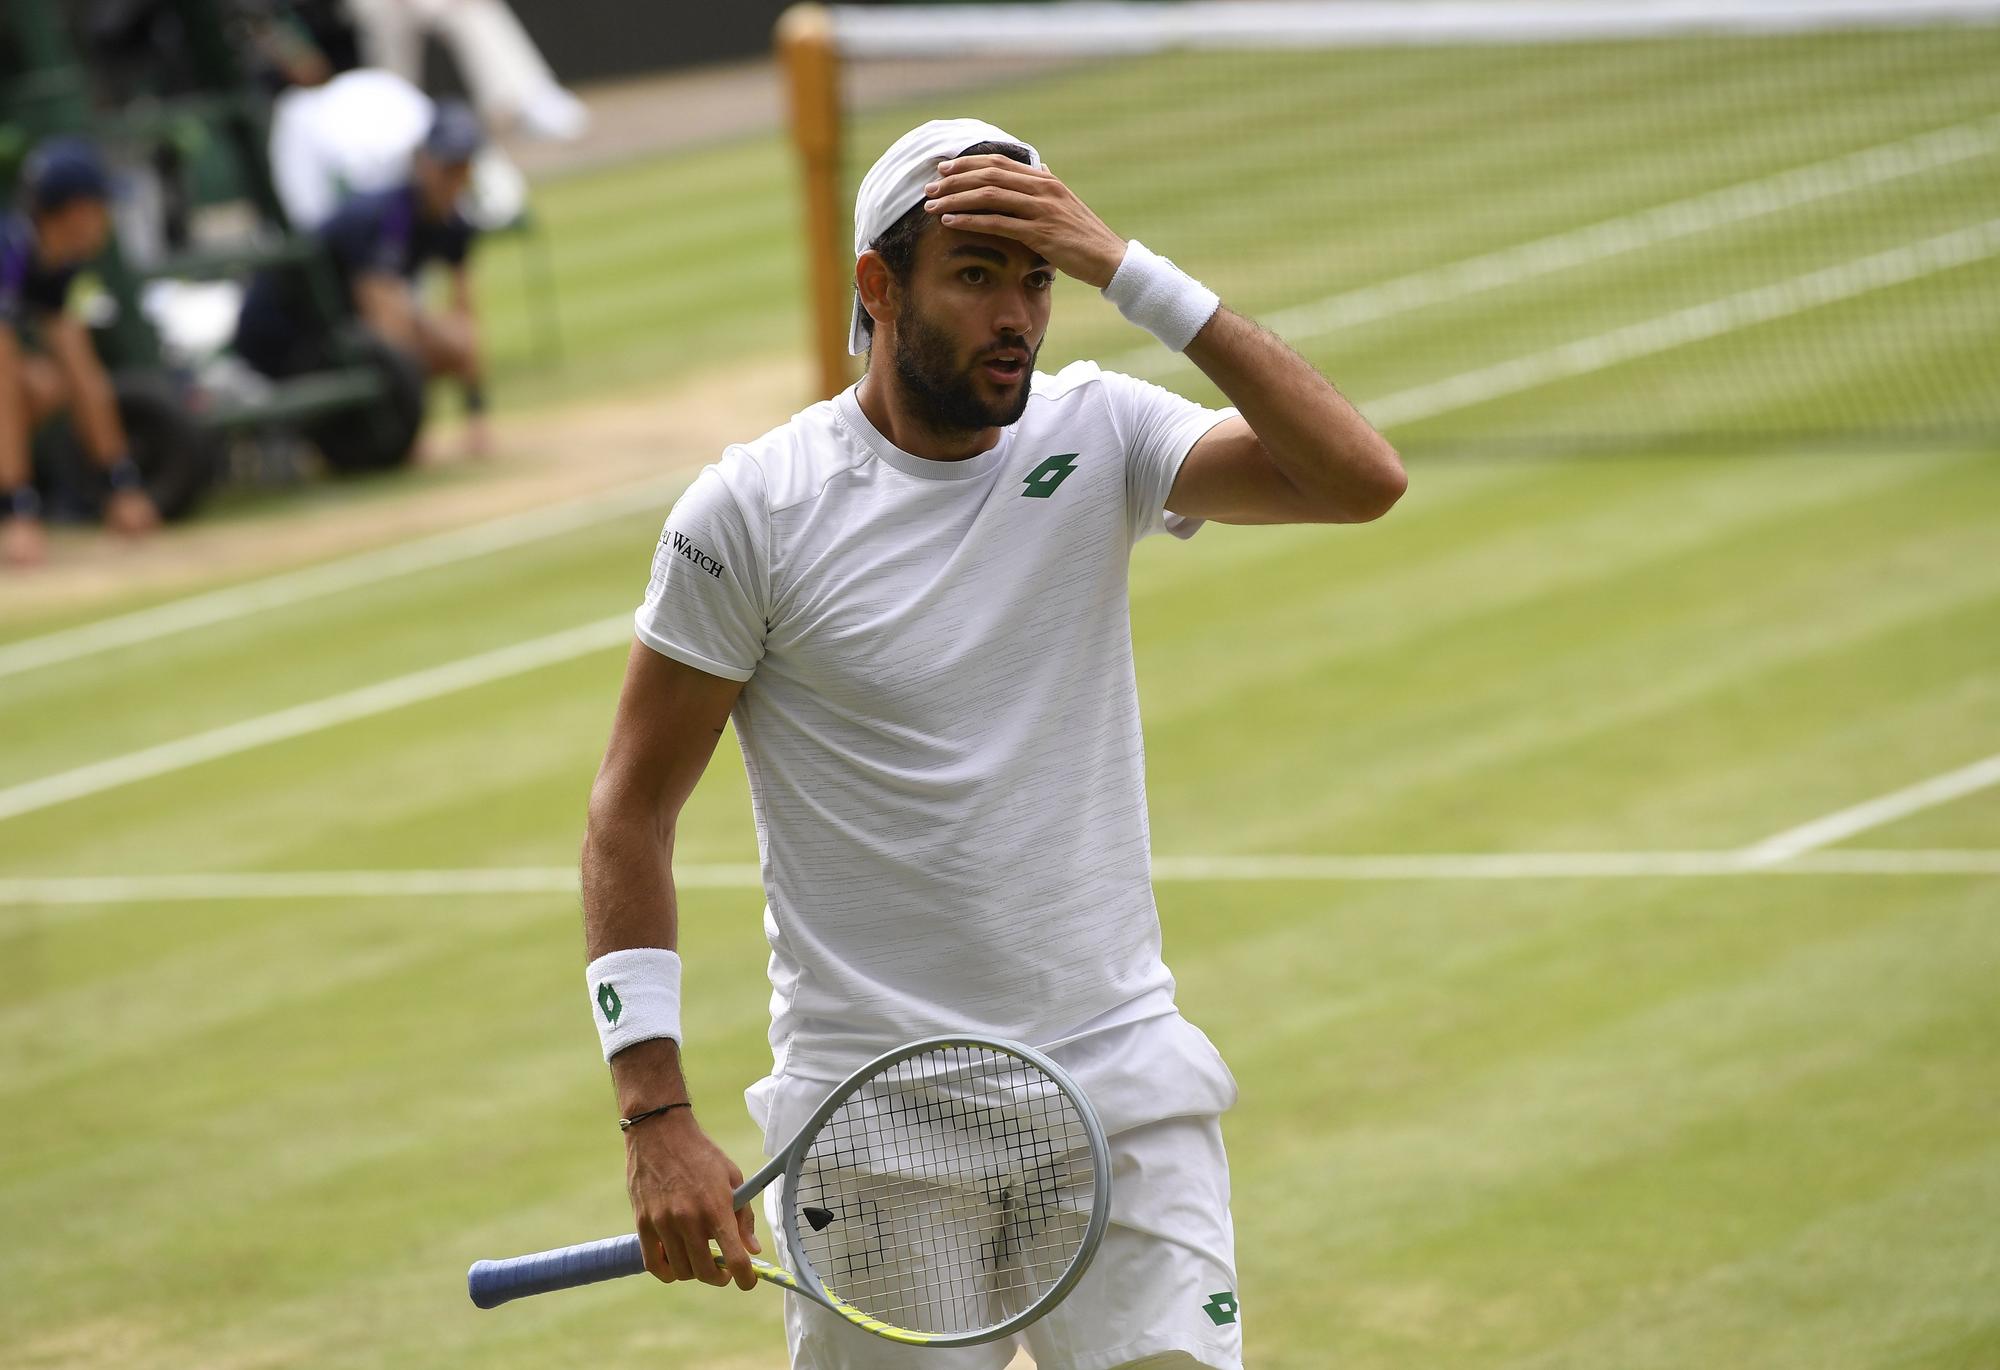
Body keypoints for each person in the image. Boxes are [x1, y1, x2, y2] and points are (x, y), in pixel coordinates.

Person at [580, 118, 1407, 1370]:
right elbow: (627, 809)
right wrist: (655, 1113)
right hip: (877, 1126)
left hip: (1122, 1093)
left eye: (1038, 277)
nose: (1018, 312)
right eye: (975, 274)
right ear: (877, 285)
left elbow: (1360, 478)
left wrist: (1124, 267)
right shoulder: (751, 513)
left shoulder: (1102, 434)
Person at [234, 101, 491, 458]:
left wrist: (477, 417)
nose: (455, 179)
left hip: (339, 326)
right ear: (423, 163)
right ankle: (402, 436)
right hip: (282, 332)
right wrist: (411, 431)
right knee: (399, 327)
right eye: (448, 167)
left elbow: (466, 318)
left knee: (455, 336)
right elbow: (384, 318)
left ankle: (456, 430)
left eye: (462, 168)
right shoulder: (385, 215)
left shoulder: (455, 225)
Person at [2, 138, 161, 568]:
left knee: (49, 383)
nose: (107, 219)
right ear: (76, 210)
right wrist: (18, 511)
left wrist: (122, 486)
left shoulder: (56, 267)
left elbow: (84, 375)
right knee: (20, 381)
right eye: (102, 205)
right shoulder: (7, 252)